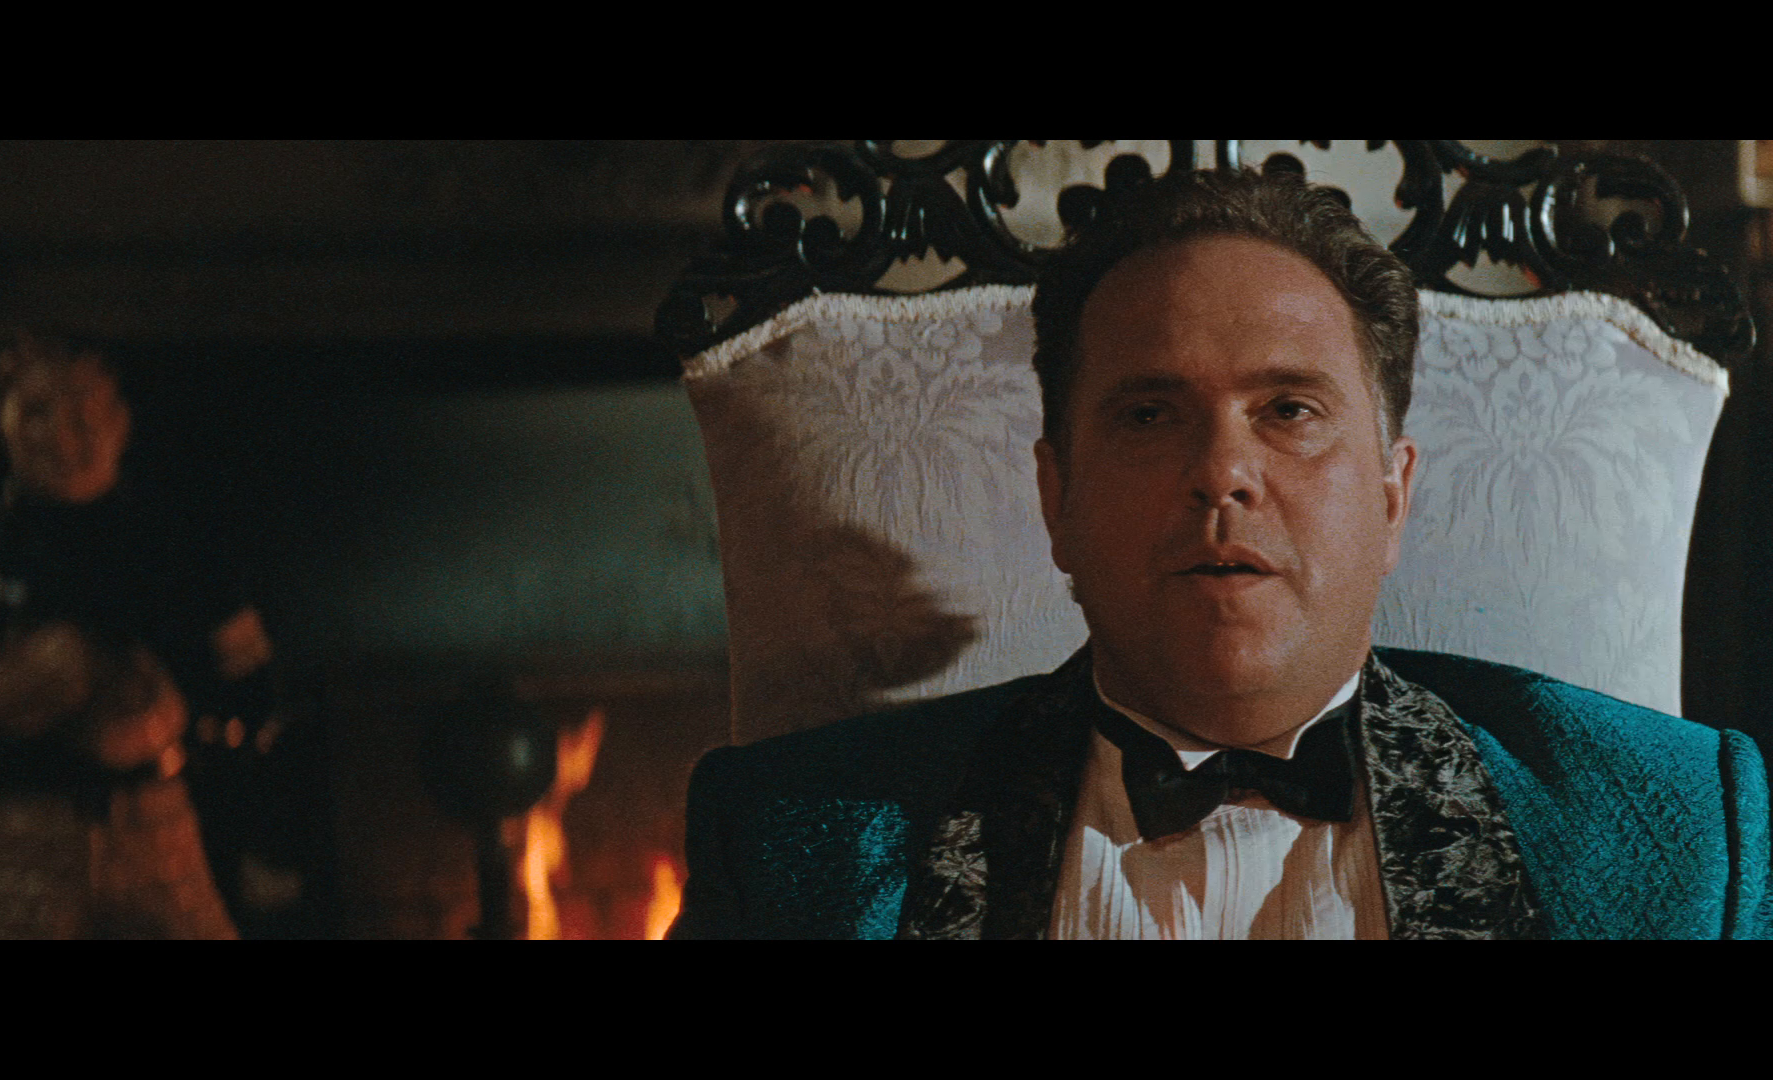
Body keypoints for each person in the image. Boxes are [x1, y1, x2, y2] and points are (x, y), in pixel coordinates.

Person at [668, 168, 1772, 940]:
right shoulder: (791, 847)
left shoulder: (1677, 832)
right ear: (1058, 499)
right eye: (1150, 415)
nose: (1222, 473)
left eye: (1289, 410)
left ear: (1393, 497)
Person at [0, 331, 285, 939]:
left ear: (121, 421)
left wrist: (168, 721)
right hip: (23, 835)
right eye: (37, 412)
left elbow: (256, 694)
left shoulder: (183, 551)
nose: (63, 437)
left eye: (84, 413)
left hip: (156, 823)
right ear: (2, 422)